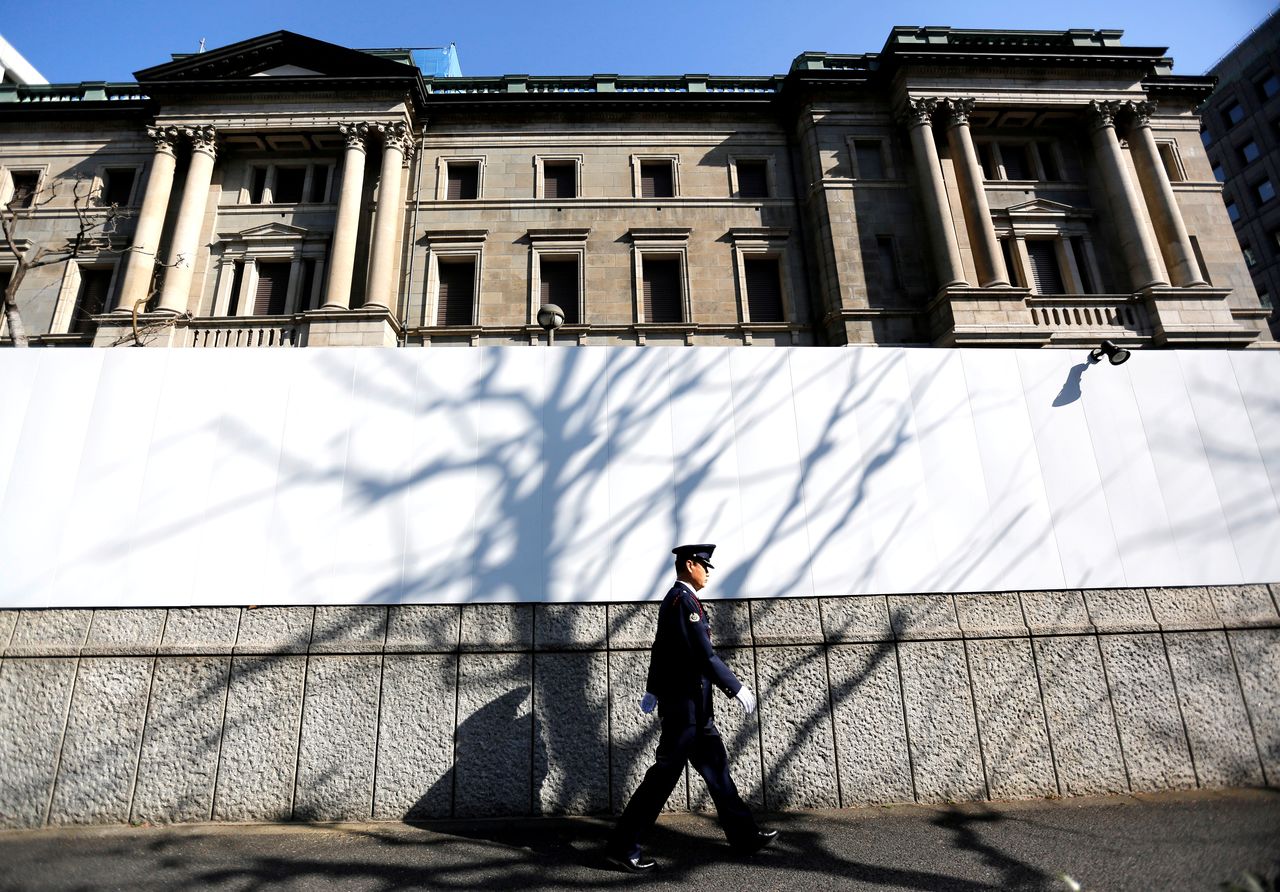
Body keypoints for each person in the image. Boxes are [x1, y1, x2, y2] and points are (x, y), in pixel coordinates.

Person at [606, 543, 777, 872]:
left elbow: (662, 649)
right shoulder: (682, 601)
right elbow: (702, 654)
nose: (708, 573)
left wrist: (653, 689)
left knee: (717, 771)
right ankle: (622, 846)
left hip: (695, 711)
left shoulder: (680, 600)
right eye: (704, 566)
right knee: (662, 778)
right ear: (689, 565)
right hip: (684, 710)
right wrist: (736, 687)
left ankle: (744, 836)